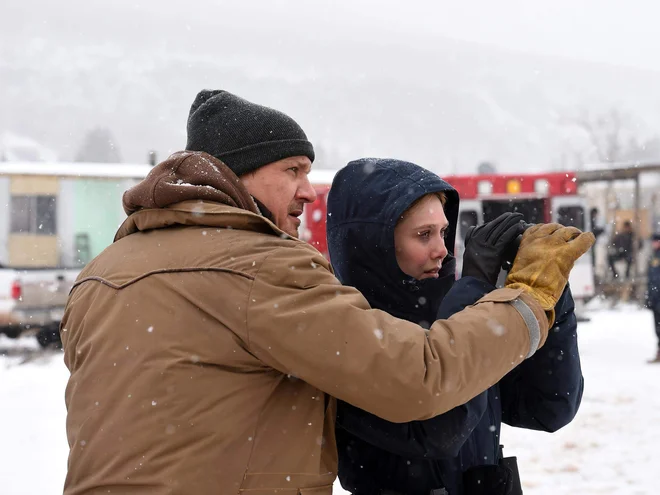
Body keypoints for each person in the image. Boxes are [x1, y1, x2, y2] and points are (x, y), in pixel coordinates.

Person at [60, 90, 593, 494]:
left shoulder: (103, 273)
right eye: (291, 170)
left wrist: (549, 299)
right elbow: (424, 386)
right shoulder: (262, 269)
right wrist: (525, 293)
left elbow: (549, 404)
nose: (306, 190)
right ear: (236, 174)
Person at [327, 159, 584, 495]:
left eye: (444, 232)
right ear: (371, 244)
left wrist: (548, 295)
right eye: (424, 235)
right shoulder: (344, 330)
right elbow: (440, 429)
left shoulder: (458, 313)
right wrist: (474, 288)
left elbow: (548, 407)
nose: (442, 250)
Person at [646, 233, 660, 363]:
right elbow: (651, 279)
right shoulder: (654, 256)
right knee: (657, 327)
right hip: (655, 298)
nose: (654, 243)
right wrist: (650, 297)